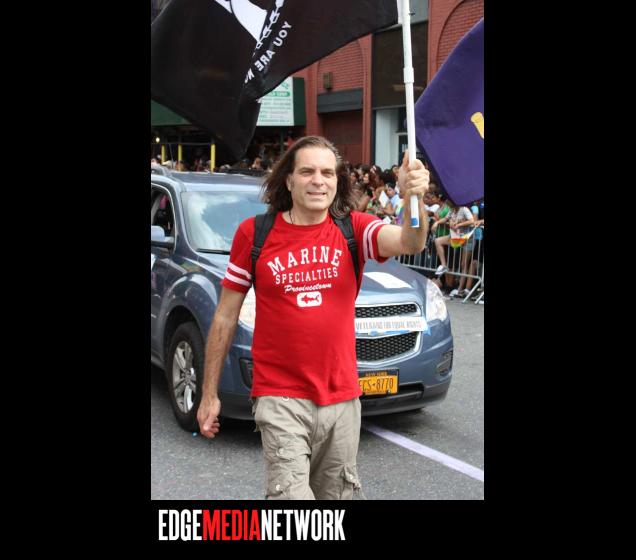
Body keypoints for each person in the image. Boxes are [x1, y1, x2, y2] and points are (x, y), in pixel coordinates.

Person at [197, 135, 429, 500]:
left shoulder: (353, 229)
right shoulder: (254, 234)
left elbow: (410, 242)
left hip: (342, 398)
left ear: (337, 181)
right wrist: (209, 394)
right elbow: (226, 317)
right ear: (289, 180)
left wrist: (413, 196)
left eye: (327, 172)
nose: (318, 180)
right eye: (307, 172)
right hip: (280, 397)